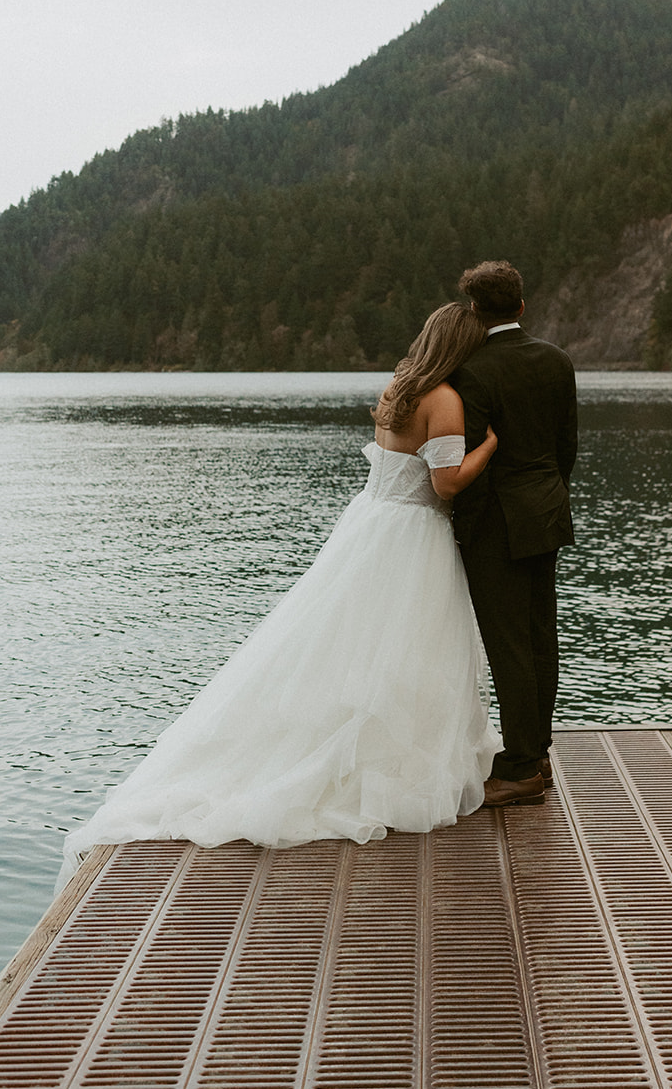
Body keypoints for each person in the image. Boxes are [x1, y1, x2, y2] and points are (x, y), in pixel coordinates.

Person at [57, 303, 501, 891]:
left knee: (356, 646)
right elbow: (444, 484)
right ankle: (388, 760)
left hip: (372, 524)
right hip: (415, 534)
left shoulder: (399, 387)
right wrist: (489, 445)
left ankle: (363, 746)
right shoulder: (443, 400)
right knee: (408, 648)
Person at [450, 260, 578, 808]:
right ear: (521, 306)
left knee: (508, 647)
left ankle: (522, 767)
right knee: (537, 636)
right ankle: (535, 750)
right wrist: (547, 497)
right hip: (546, 513)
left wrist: (462, 532)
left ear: (475, 310)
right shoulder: (557, 360)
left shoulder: (472, 369)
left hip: (496, 525)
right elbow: (565, 447)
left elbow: (471, 463)